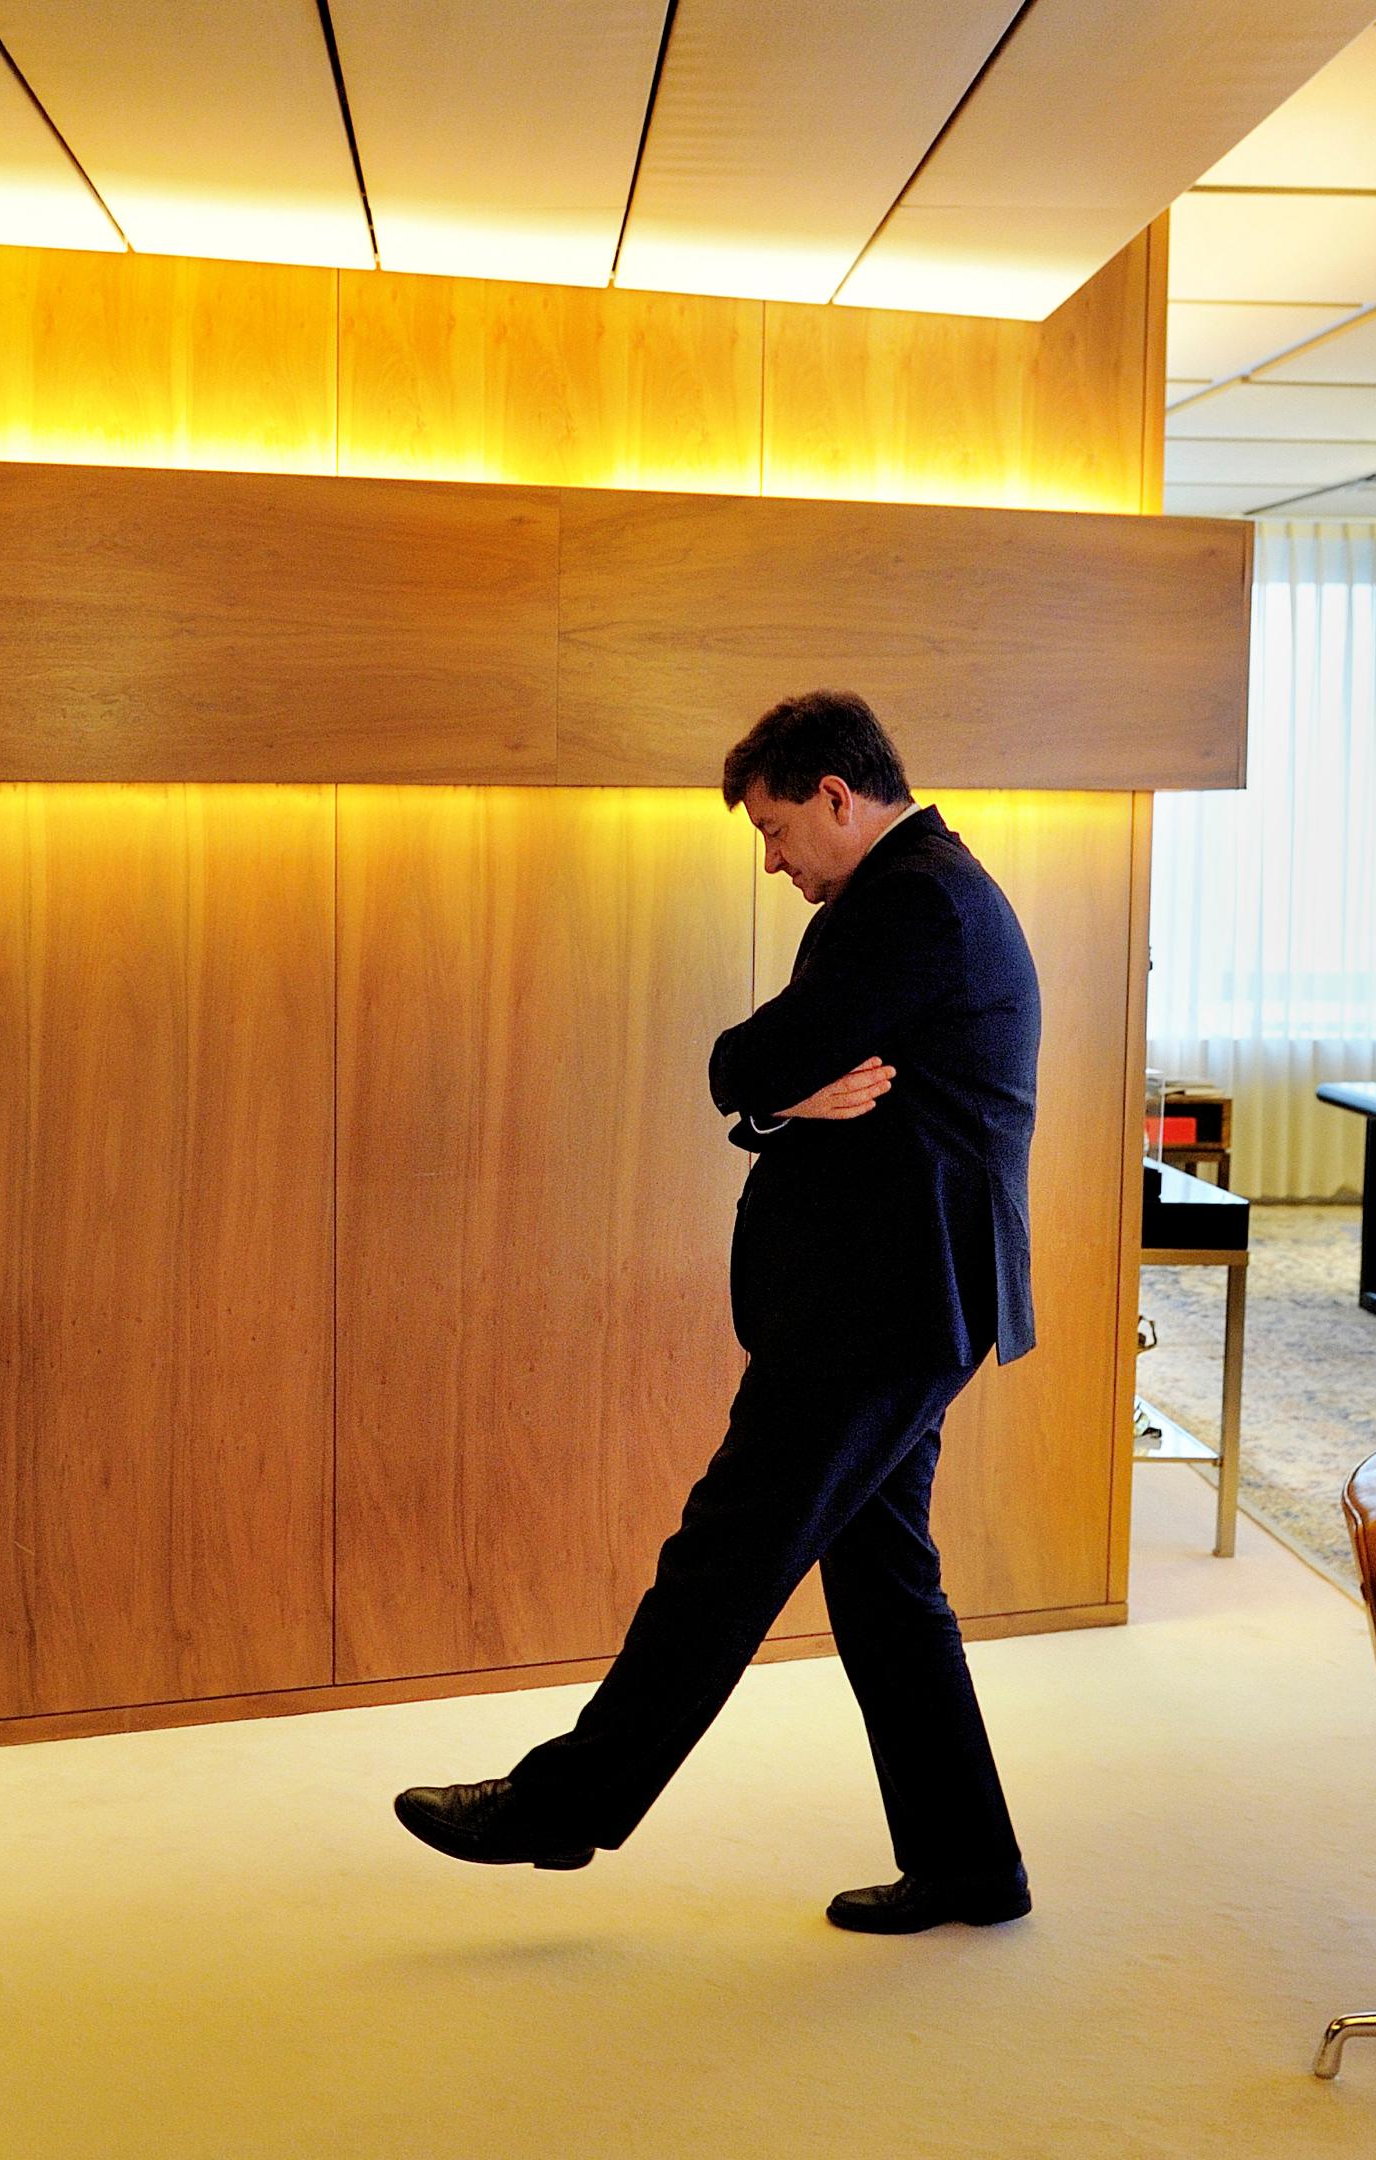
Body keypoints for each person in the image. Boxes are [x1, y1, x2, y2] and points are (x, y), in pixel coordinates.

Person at [393, 689, 1043, 1934]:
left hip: (879, 1311)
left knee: (724, 1558)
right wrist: (792, 1097)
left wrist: (778, 1086)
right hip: (914, 1301)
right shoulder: (925, 888)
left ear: (838, 798)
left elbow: (742, 1061)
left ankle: (558, 1808)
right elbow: (777, 1080)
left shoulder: (910, 902)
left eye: (777, 827)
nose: (773, 859)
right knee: (885, 1586)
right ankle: (972, 1863)